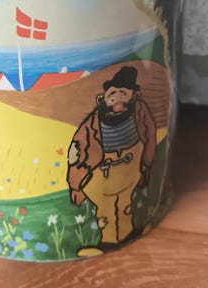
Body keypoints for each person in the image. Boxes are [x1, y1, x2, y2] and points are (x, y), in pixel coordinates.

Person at [67, 66, 156, 253]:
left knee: (125, 203)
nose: (118, 99)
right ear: (103, 98)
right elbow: (77, 150)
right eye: (113, 95)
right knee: (105, 209)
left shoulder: (139, 111)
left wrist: (146, 164)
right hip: (101, 172)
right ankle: (108, 241)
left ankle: (127, 233)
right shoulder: (93, 122)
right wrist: (75, 184)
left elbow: (149, 135)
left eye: (124, 94)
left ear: (134, 96)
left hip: (131, 168)